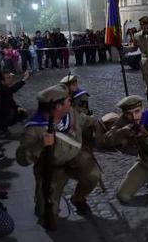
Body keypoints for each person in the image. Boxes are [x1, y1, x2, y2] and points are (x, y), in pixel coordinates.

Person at [16, 85, 102, 226]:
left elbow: (85, 120)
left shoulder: (71, 114)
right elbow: (21, 159)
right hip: (52, 169)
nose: (71, 102)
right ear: (58, 107)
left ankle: (78, 199)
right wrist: (40, 145)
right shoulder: (34, 129)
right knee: (45, 213)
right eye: (68, 100)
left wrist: (103, 123)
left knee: (93, 176)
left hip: (76, 159)